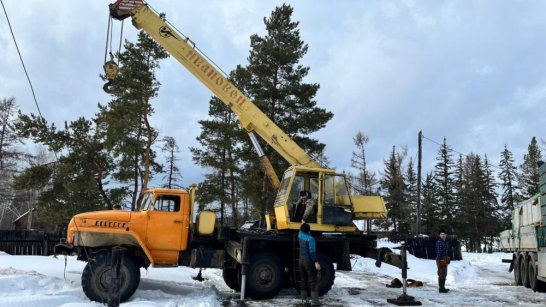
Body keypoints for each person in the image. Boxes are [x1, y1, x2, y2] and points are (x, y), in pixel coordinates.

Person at [298, 223, 321, 306]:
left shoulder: (299, 235)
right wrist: (316, 262)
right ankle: (314, 301)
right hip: (308, 261)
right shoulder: (311, 239)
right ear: (309, 230)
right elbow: (312, 252)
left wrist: (302, 222)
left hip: (300, 260)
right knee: (313, 280)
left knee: (303, 280)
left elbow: (301, 230)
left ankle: (304, 300)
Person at [436, 229, 451, 293]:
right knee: (441, 273)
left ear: (446, 235)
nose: (443, 235)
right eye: (441, 234)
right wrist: (441, 259)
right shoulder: (439, 242)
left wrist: (447, 258)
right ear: (439, 235)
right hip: (440, 259)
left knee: (444, 273)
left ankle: (443, 287)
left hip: (445, 258)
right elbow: (439, 252)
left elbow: (447, 251)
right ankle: (441, 289)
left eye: (444, 234)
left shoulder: (446, 242)